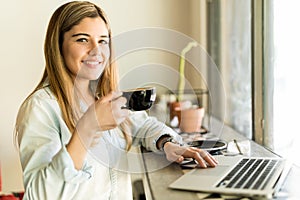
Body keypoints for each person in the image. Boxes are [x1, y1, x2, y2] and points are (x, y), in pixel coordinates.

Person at [14, 1, 218, 200]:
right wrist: (86, 129)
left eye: (103, 40)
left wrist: (167, 144)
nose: (96, 50)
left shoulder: (103, 96)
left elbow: (142, 125)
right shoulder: (41, 108)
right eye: (82, 39)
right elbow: (39, 195)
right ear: (58, 46)